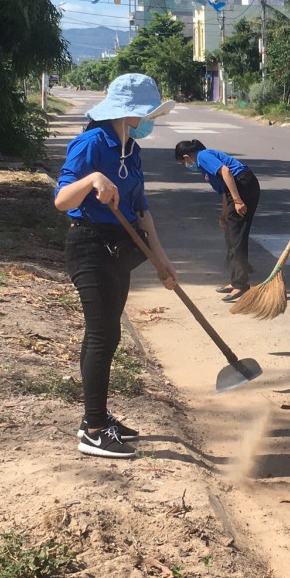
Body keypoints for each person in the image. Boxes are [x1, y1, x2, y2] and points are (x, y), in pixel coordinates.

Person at [54, 73, 179, 459]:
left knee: (110, 336)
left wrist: (162, 262)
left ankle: (97, 416)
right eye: (145, 114)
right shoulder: (92, 142)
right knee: (101, 333)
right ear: (127, 114)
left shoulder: (132, 150)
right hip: (89, 244)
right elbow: (61, 199)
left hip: (120, 247)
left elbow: (143, 215)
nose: (149, 121)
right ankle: (93, 431)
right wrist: (93, 179)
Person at [174, 140, 260, 301]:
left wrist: (238, 200)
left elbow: (227, 172)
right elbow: (224, 190)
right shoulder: (202, 163)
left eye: (183, 162)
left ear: (186, 156)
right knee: (230, 234)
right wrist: (224, 215)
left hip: (243, 186)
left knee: (237, 236)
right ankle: (235, 280)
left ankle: (241, 285)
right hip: (236, 189)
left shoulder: (202, 156)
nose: (186, 165)